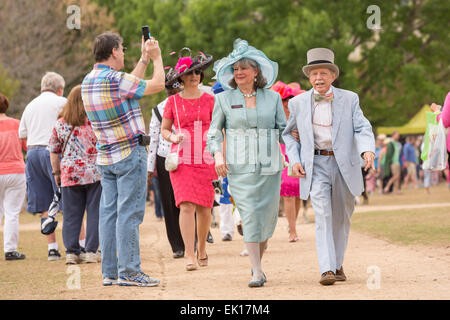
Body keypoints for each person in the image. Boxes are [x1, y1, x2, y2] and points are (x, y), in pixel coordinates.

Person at [283, 47, 375, 286]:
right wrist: (294, 160)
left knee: (341, 217)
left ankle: (337, 263)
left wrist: (367, 149)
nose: (318, 78)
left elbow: (362, 128)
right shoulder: (298, 103)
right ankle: (327, 269)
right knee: (322, 214)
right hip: (315, 164)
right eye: (314, 74)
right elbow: (289, 135)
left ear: (333, 75)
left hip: (345, 164)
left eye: (323, 73)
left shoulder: (350, 98)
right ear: (308, 77)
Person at [81, 31, 165, 287]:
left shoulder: (90, 79)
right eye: (123, 49)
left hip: (107, 156)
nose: (124, 54)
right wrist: (158, 58)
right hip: (130, 152)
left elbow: (128, 85)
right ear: (114, 52)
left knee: (108, 215)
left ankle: (110, 272)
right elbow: (158, 84)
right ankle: (129, 270)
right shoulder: (116, 80)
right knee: (129, 213)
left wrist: (143, 59)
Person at [207, 39, 286, 287]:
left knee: (266, 219)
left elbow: (284, 130)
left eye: (244, 68)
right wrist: (218, 156)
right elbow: (213, 133)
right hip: (239, 168)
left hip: (270, 166)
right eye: (235, 69)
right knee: (250, 215)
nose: (239, 72)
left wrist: (298, 147)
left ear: (256, 72)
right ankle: (256, 271)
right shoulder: (223, 99)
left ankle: (257, 264)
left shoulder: (272, 99)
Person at [161, 50, 216, 271]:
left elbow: (219, 128)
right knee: (185, 206)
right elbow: (164, 130)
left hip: (205, 156)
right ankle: (189, 254)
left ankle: (202, 247)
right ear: (181, 77)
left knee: (204, 208)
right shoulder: (172, 102)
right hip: (181, 158)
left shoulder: (211, 99)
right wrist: (173, 136)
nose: (194, 76)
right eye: (190, 73)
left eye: (198, 72)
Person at [48, 85, 102, 265]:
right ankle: (91, 251)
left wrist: (56, 172)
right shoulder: (95, 122)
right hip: (94, 173)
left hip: (70, 174)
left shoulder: (61, 123)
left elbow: (54, 151)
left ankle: (72, 251)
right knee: (94, 213)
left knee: (71, 214)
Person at [18, 71, 67, 261]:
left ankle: (52, 248)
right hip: (54, 152)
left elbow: (22, 134)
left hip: (32, 152)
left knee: (45, 201)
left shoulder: (30, 105)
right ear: (60, 89)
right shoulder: (61, 103)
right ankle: (79, 244)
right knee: (69, 198)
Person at [147, 69, 185, 259]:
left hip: (187, 155)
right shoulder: (158, 109)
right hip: (165, 158)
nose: (174, 94)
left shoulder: (191, 103)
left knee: (188, 199)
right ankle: (177, 244)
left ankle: (191, 238)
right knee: (169, 203)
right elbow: (153, 140)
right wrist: (149, 168)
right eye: (171, 90)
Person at [271, 81, 309, 242]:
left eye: (289, 99)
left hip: (298, 155)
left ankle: (292, 224)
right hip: (281, 155)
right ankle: (292, 230)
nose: (287, 103)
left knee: (298, 193)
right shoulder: (274, 116)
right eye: (284, 100)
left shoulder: (299, 115)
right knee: (287, 193)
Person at [0, 93, 27, 260]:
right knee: (12, 213)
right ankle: (10, 250)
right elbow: (27, 146)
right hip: (16, 171)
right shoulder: (17, 125)